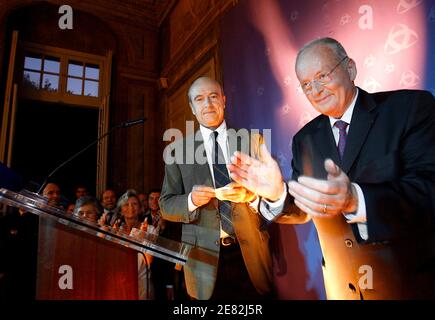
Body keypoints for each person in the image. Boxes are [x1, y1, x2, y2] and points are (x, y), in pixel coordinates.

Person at [228, 37, 435, 299]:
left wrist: (356, 200)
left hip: (406, 286)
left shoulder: (410, 108)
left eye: (322, 76)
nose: (314, 90)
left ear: (350, 69)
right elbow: (304, 210)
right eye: (305, 84)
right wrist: (277, 194)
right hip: (341, 288)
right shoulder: (304, 139)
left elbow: (428, 191)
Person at [159, 76, 306, 300]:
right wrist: (191, 201)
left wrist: (251, 196)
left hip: (249, 257)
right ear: (192, 107)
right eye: (199, 99)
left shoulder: (253, 141)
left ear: (224, 100)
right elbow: (166, 205)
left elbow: (271, 193)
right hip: (202, 262)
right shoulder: (177, 151)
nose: (207, 104)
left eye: (213, 96)